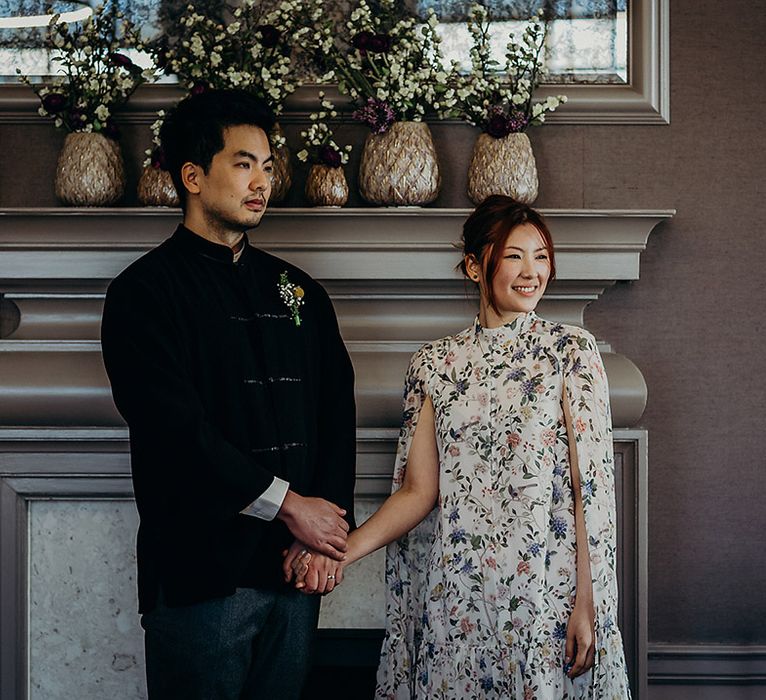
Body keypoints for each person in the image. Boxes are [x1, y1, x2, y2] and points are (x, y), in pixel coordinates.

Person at [287, 195, 630, 698]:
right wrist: (338, 552)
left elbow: (590, 490)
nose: (532, 270)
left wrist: (590, 602)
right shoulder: (434, 364)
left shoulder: (570, 351)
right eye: (514, 255)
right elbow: (417, 492)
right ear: (474, 265)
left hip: (545, 597)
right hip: (459, 602)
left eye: (540, 255)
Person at [101, 88, 356, 700]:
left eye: (268, 166)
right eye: (244, 164)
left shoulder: (301, 292)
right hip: (200, 579)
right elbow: (173, 432)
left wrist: (325, 537)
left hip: (296, 575)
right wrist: (291, 504)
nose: (262, 181)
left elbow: (336, 414)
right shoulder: (143, 293)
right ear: (192, 175)